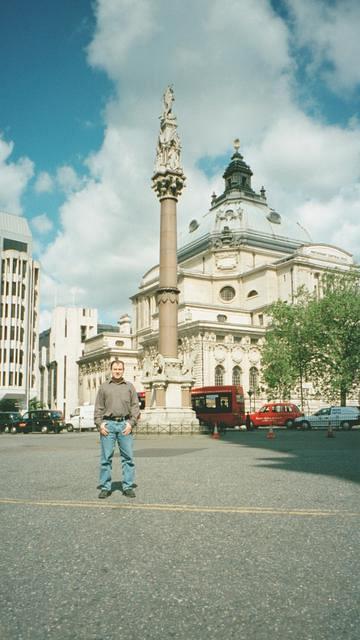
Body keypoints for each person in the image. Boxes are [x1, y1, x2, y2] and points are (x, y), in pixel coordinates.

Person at [94, 360, 140, 499]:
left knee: (128, 458)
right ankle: (105, 487)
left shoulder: (130, 387)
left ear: (123, 370)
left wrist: (131, 423)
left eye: (120, 369)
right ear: (111, 370)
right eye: (115, 369)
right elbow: (98, 408)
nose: (117, 371)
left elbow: (135, 407)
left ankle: (127, 486)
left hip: (125, 425)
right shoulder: (104, 387)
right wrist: (99, 423)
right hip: (108, 425)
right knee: (106, 458)